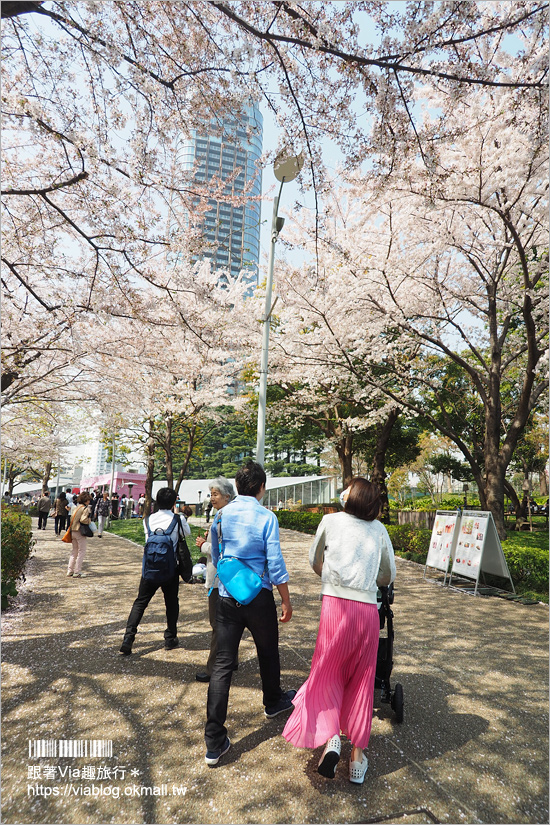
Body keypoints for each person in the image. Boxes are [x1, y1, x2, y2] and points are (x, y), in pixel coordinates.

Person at [282, 477, 396, 786]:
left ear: (352, 496)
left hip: (335, 608)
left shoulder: (330, 521)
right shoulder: (380, 530)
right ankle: (357, 760)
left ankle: (331, 739)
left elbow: (314, 560)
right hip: (368, 614)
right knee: (362, 682)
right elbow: (387, 574)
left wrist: (330, 578)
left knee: (327, 673)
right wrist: (371, 580)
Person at [204, 461, 295, 767]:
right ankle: (273, 702)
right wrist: (286, 600)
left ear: (238, 486)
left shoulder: (221, 515)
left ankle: (214, 742)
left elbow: (216, 555)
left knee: (223, 665)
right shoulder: (267, 517)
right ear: (261, 487)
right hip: (259, 597)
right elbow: (275, 562)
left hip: (228, 597)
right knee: (268, 653)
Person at [119, 487, 191, 655]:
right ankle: (170, 638)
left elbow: (147, 540)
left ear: (157, 501)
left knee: (140, 603)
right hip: (170, 570)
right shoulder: (178, 520)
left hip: (150, 569)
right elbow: (185, 534)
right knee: (171, 603)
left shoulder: (148, 520)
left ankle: (128, 638)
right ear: (174, 502)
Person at [194, 477, 236, 683]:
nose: (212, 498)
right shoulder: (230, 515)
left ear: (227, 496)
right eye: (211, 494)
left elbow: (222, 551)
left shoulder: (222, 516)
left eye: (215, 494)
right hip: (228, 579)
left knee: (217, 624)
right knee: (228, 623)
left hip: (218, 580)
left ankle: (214, 669)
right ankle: (231, 659)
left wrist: (203, 545)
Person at [66, 492, 93, 578]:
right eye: (88, 500)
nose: (89, 502)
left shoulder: (76, 508)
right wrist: (90, 521)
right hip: (80, 531)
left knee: (74, 551)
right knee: (82, 551)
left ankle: (70, 570)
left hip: (72, 530)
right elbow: (83, 519)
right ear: (86, 500)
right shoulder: (85, 508)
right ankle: (77, 571)